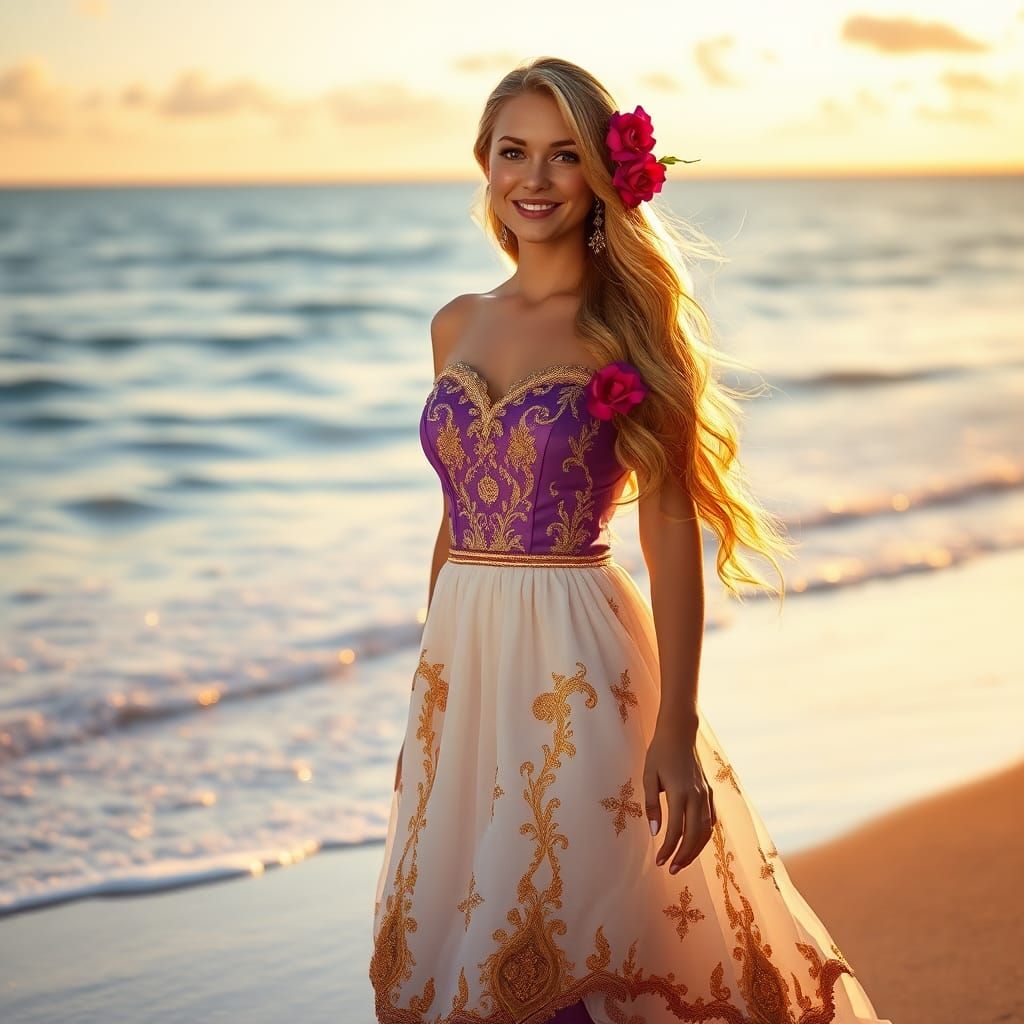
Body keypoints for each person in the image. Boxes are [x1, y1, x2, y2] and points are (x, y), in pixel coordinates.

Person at [369, 56, 891, 1024]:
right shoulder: (455, 324)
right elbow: (453, 518)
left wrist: (677, 726)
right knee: (476, 925)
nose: (533, 178)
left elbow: (667, 524)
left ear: (602, 174)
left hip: (578, 657)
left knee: (574, 918)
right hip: (465, 660)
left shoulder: (631, 328)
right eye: (513, 152)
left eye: (563, 155)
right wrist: (425, 689)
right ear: (483, 164)